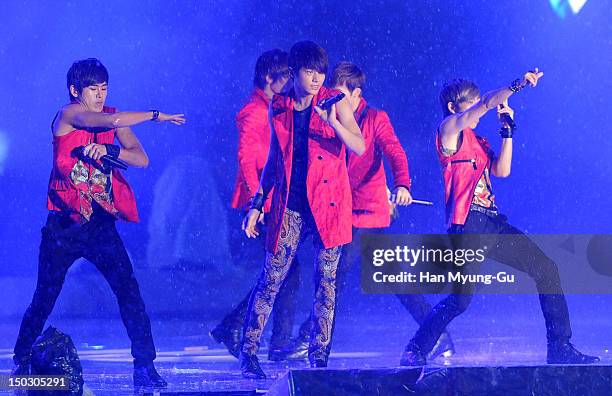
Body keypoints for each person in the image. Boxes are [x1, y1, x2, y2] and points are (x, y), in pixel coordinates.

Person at [400, 70, 599, 366]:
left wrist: (507, 132)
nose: (482, 108)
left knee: (546, 268)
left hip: (492, 223)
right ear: (455, 107)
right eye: (474, 104)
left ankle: (560, 346)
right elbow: (489, 102)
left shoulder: (478, 140)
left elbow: (501, 170)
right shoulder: (449, 130)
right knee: (460, 299)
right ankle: (416, 349)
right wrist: (518, 84)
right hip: (467, 225)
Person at [12, 58, 186, 388]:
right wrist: (155, 115)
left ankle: (145, 366)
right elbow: (114, 118)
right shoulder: (69, 115)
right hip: (63, 227)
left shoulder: (111, 120)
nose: (100, 96)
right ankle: (21, 360)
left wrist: (107, 152)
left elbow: (141, 159)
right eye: (93, 90)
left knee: (129, 292)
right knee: (44, 298)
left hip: (100, 225)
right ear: (75, 91)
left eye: (104, 89)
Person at [281, 61, 454, 361]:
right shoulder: (327, 114)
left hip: (366, 212)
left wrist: (402, 185)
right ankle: (436, 333)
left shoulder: (375, 118)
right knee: (393, 277)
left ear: (356, 93)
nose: (332, 99)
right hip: (338, 208)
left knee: (334, 272)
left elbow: (394, 151)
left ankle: (311, 338)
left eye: (339, 94)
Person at [239, 41, 365, 379]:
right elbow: (272, 160)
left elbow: (359, 145)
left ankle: (319, 356)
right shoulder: (278, 107)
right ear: (294, 73)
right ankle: (248, 351)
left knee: (325, 282)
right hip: (290, 205)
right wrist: (257, 203)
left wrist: (333, 122)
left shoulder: (334, 101)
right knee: (272, 277)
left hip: (328, 206)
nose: (316, 79)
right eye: (309, 72)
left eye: (320, 72)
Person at [210, 49, 302, 361]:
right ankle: (273, 340)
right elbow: (247, 160)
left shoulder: (275, 106)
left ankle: (239, 327)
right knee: (284, 271)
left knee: (282, 271)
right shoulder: (254, 110)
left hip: (274, 200)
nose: (290, 82)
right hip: (262, 203)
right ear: (268, 77)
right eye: (285, 76)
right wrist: (257, 204)